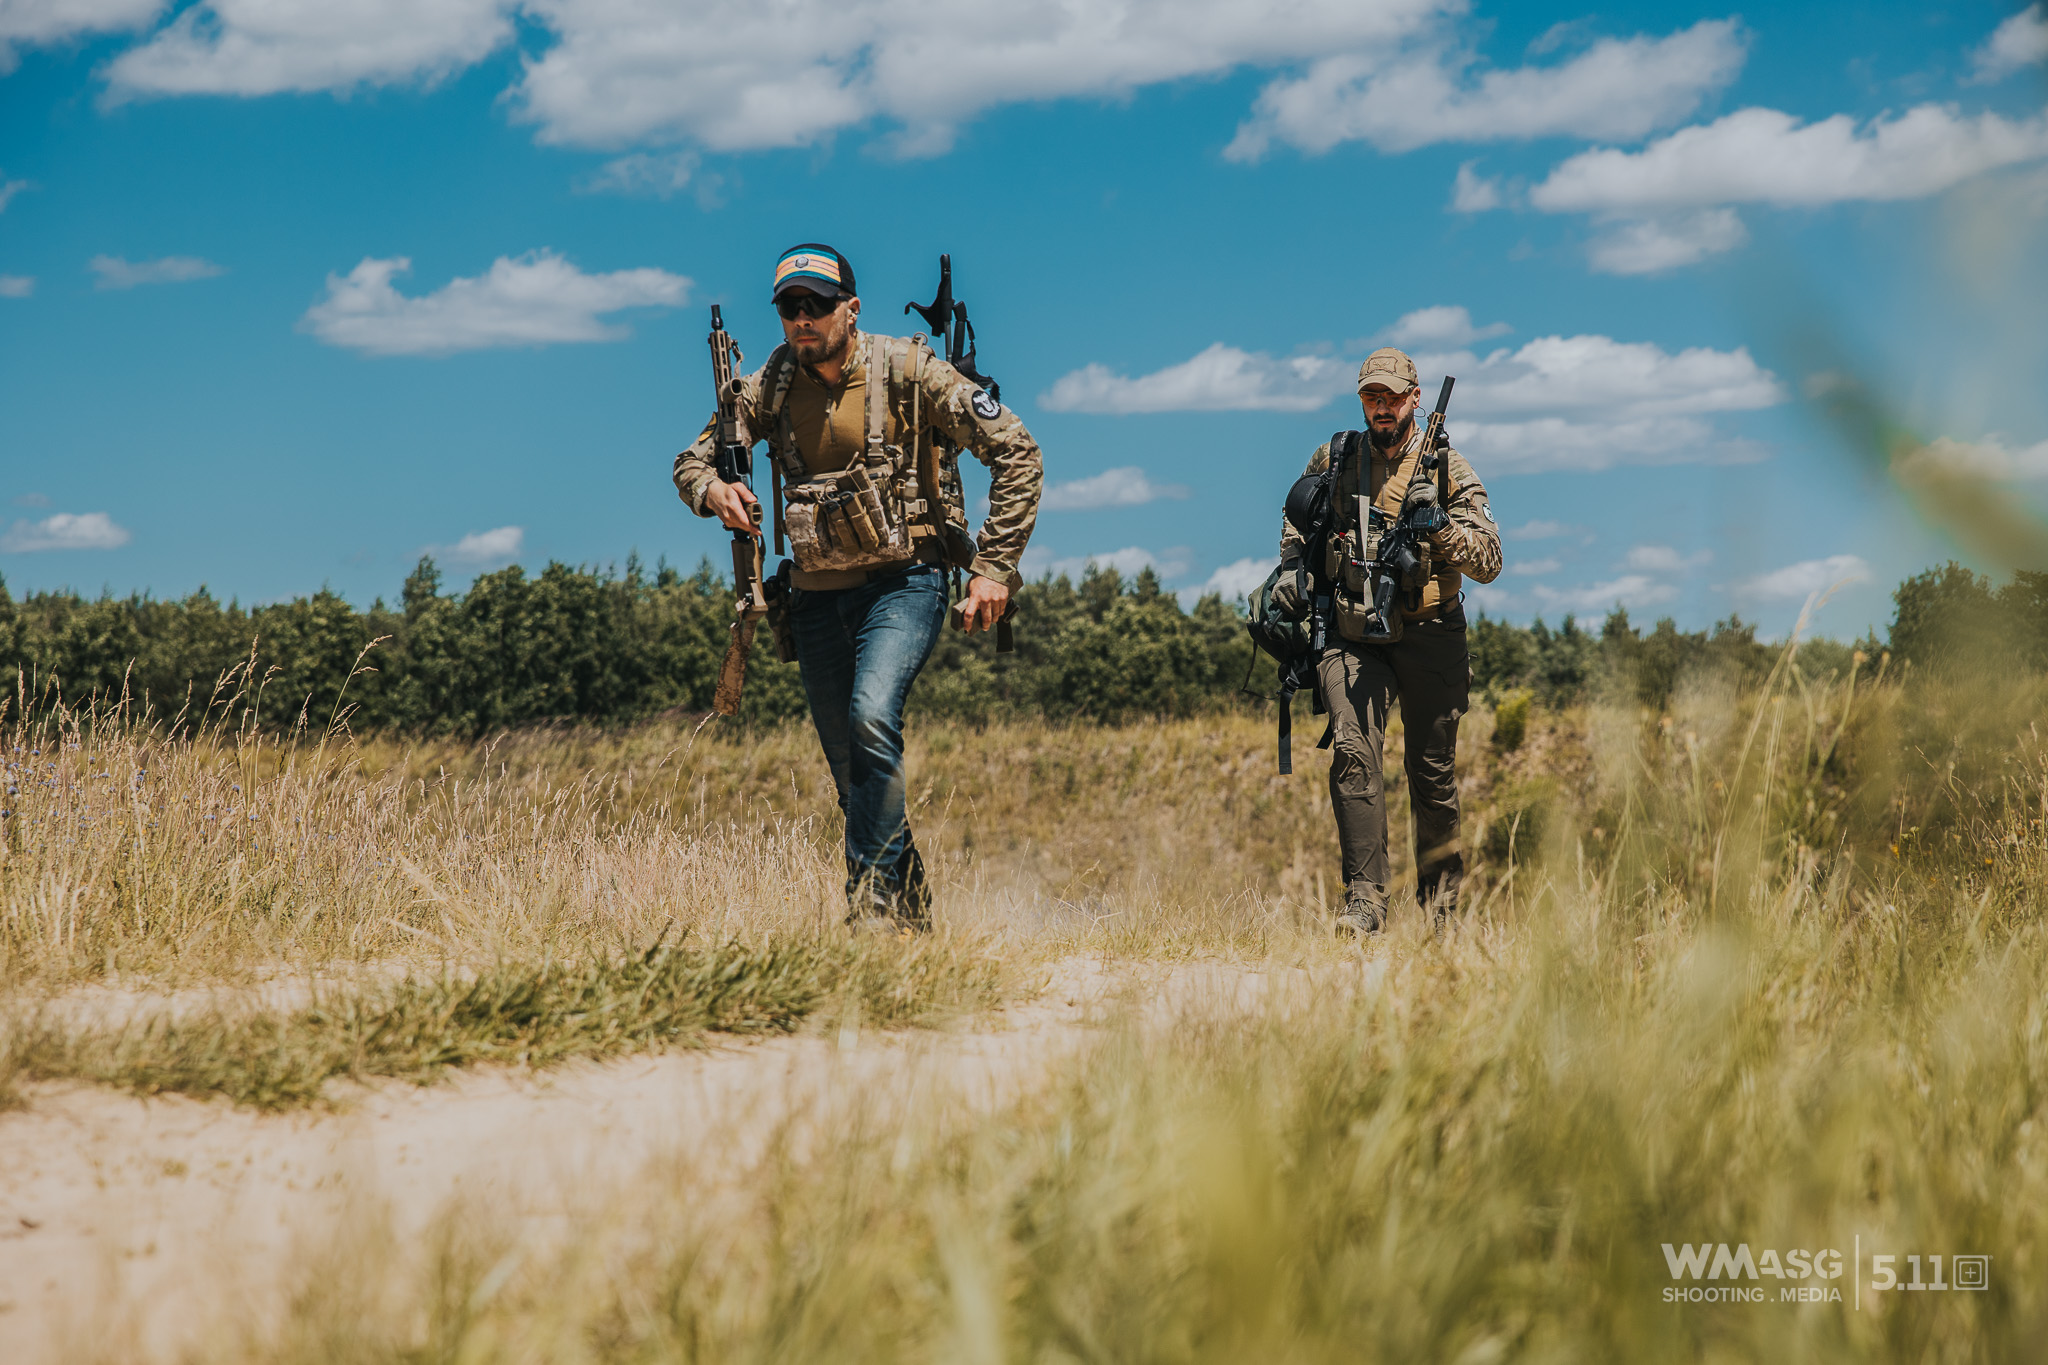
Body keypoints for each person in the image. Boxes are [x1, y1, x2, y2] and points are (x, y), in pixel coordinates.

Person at [673, 243, 1043, 932]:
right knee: (855, 778)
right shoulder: (769, 384)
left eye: (817, 304)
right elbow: (691, 461)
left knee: (872, 718)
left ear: (851, 308)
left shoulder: (908, 370)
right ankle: (913, 924)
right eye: (789, 306)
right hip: (814, 601)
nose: (802, 318)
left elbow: (1018, 451)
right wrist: (713, 490)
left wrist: (994, 568)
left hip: (905, 584)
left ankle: (867, 909)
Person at [1275, 347, 1502, 934]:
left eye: (1392, 397)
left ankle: (1442, 913)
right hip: (1354, 635)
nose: (1382, 407)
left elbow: (1490, 561)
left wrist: (1441, 527)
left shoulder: (1448, 469)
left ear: (1415, 399)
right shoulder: (1336, 457)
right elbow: (1297, 517)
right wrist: (1292, 569)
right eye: (1371, 397)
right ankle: (1364, 905)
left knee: (1432, 776)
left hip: (1431, 633)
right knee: (1353, 755)